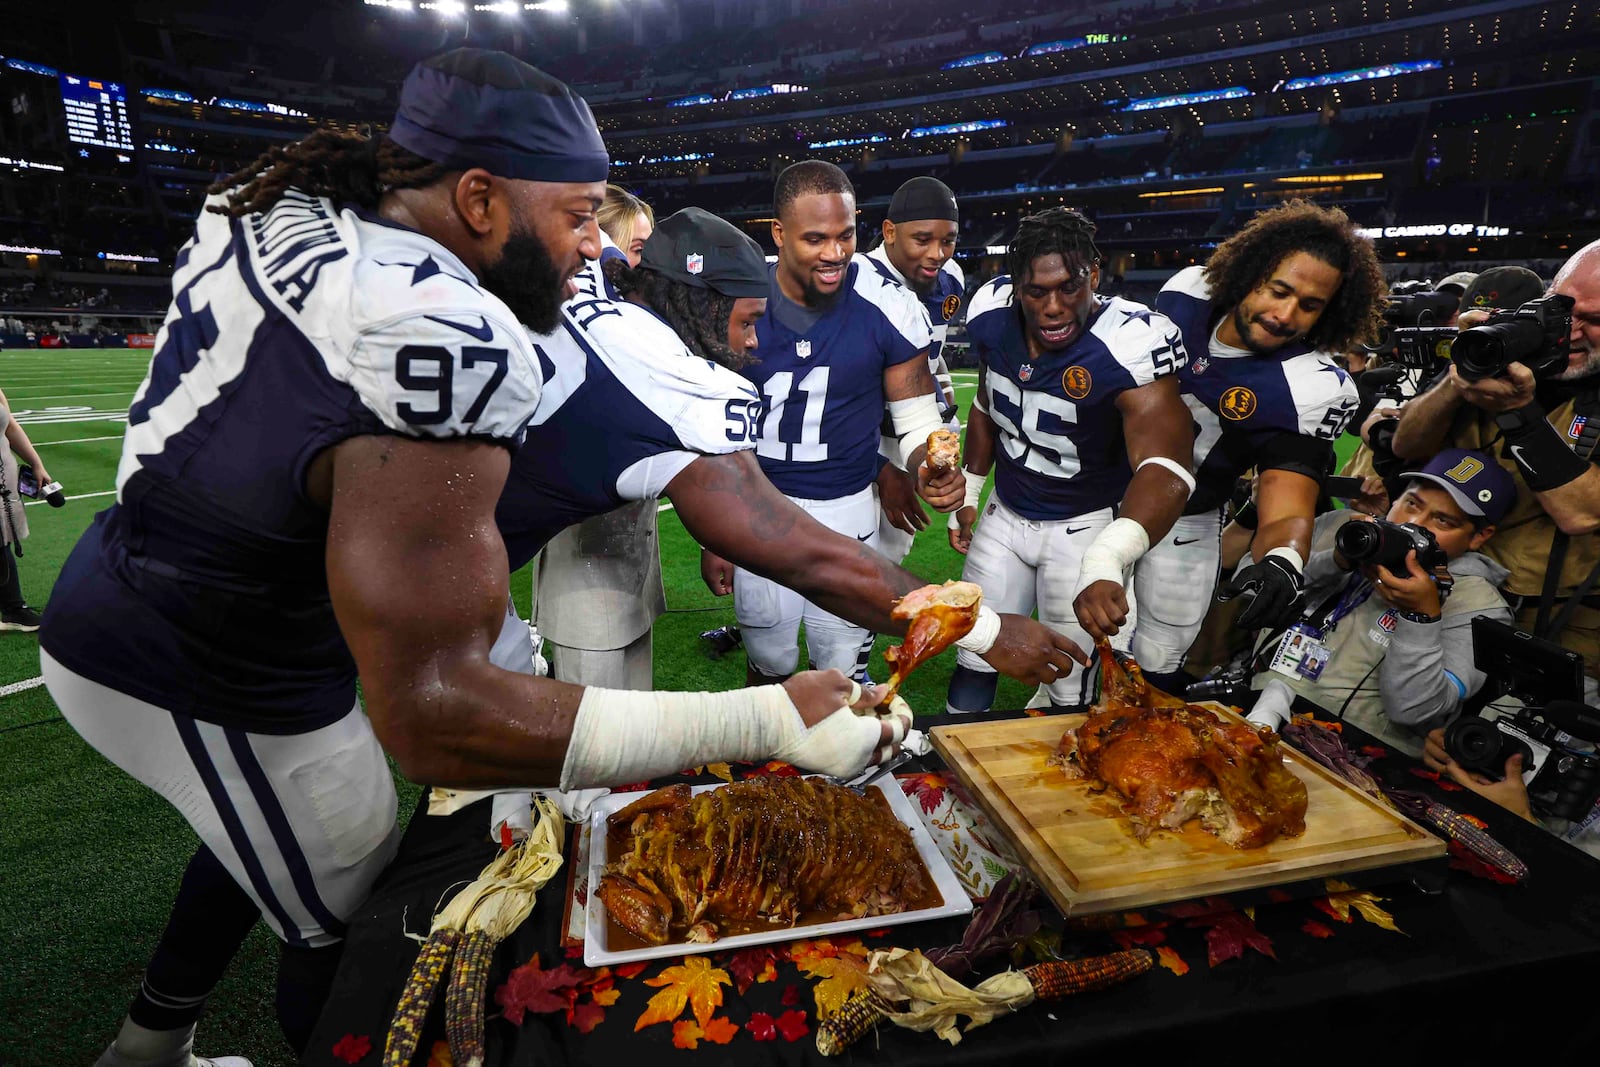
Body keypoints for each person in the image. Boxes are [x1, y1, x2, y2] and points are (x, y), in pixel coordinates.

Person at [40, 51, 900, 1067]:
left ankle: (146, 1045)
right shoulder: (446, 335)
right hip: (209, 659)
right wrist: (764, 717)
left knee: (264, 837)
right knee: (355, 919)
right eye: (579, 216)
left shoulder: (274, 203)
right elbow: (439, 717)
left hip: (172, 583)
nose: (598, 248)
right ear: (480, 197)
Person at [496, 207, 1084, 693]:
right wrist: (979, 630)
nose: (753, 344)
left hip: (472, 534)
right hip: (462, 561)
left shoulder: (609, 293)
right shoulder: (675, 380)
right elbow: (811, 560)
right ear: (702, 305)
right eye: (748, 322)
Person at [945, 207, 1197, 712]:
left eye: (1069, 288)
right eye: (1037, 292)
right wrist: (971, 489)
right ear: (1015, 286)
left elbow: (1168, 467)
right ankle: (949, 782)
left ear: (1094, 276)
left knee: (1070, 680)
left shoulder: (1129, 343)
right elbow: (986, 404)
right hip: (1006, 514)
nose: (1054, 306)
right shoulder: (991, 316)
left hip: (1083, 528)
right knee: (975, 656)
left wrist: (1109, 557)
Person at [725, 160, 964, 685]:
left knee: (841, 667)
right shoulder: (740, 299)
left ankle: (843, 769)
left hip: (846, 509)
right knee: (770, 660)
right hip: (759, 507)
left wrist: (931, 463)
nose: (834, 253)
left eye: (845, 235)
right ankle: (773, 764)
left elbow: (917, 413)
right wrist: (711, 537)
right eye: (816, 239)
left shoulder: (889, 303)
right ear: (779, 234)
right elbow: (712, 423)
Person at [1131, 199, 1384, 692]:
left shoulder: (1309, 387)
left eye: (1309, 306)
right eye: (1279, 290)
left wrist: (1282, 561)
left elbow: (1287, 501)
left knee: (1155, 669)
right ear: (1249, 274)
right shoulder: (1187, 294)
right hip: (1102, 502)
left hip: (1186, 523)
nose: (1286, 314)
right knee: (1073, 651)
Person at [1391, 241, 1600, 700]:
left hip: (1553, 620)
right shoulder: (1508, 347)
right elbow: (1407, 445)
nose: (1574, 332)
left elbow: (1582, 513)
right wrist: (1459, 371)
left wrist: (1520, 414)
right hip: (1440, 582)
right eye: (1564, 309)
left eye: (1596, 321)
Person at [1245, 448, 1516, 757]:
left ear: (1480, 537)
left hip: (1356, 756)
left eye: (1442, 520)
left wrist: (1420, 617)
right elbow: (1248, 593)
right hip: (1257, 702)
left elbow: (1412, 710)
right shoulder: (1343, 527)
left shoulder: (1478, 605)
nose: (1414, 523)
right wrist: (1336, 561)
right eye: (1412, 504)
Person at [532, 183, 663, 689]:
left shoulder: (629, 318)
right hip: (584, 585)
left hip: (632, 572)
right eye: (636, 249)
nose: (642, 266)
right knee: (597, 753)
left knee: (637, 748)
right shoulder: (565, 320)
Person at [863, 176, 966, 563]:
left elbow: (931, 353)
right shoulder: (858, 280)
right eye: (922, 240)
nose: (938, 254)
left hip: (910, 432)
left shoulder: (951, 279)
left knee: (889, 557)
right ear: (889, 232)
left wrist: (946, 399)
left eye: (949, 240)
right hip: (861, 438)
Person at [0, 384, 53, 630]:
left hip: (4, 480)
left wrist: (35, 462)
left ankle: (12, 608)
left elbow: (10, 425)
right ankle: (13, 608)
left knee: (2, 540)